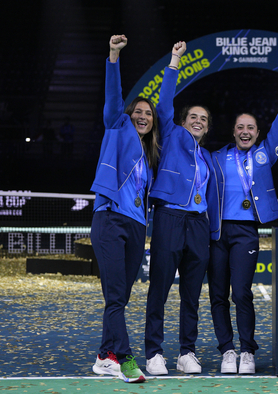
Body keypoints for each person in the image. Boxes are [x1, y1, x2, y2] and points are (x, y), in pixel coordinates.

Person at [207, 59, 278, 374]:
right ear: (233, 131)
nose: (245, 131)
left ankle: (247, 351)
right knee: (217, 295)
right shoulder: (217, 157)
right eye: (240, 127)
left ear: (258, 132)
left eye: (250, 127)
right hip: (216, 233)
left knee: (241, 292)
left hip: (247, 232)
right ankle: (227, 350)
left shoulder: (265, 153)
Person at [90, 34, 159, 383]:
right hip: (109, 220)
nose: (143, 116)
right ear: (129, 115)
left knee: (120, 296)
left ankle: (104, 356)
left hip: (135, 226)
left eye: (149, 114)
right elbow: (113, 99)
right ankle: (127, 360)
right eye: (139, 112)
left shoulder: (148, 158)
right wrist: (114, 56)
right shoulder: (117, 126)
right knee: (116, 296)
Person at [144, 41, 216, 376]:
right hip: (170, 216)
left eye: (203, 119)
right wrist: (174, 61)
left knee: (191, 293)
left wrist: (212, 232)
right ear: (182, 121)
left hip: (198, 224)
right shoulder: (171, 134)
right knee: (159, 287)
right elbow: (163, 102)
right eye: (193, 117)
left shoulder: (207, 158)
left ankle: (187, 352)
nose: (198, 121)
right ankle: (154, 352)